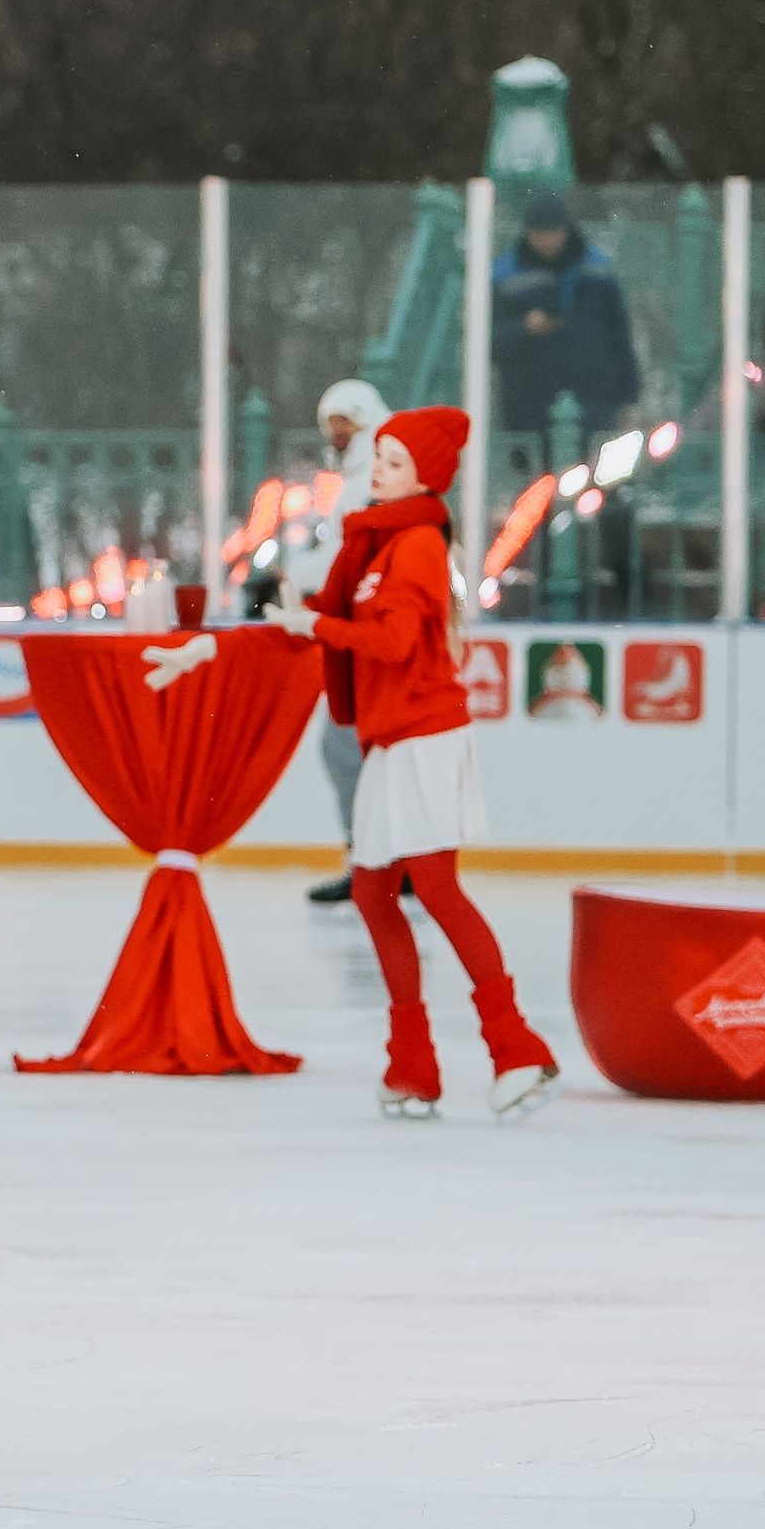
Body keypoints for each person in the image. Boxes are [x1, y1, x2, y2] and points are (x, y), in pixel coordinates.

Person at [266, 406, 562, 1121]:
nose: (379, 472)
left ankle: (516, 1046)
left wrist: (319, 624)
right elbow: (351, 622)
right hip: (391, 739)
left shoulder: (419, 543)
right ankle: (412, 1062)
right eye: (379, 460)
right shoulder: (372, 543)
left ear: (426, 477)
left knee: (434, 887)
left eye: (395, 463)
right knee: (373, 894)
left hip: (426, 734)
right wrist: (305, 619)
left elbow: (395, 641)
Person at [289, 379, 390, 906]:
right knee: (356, 751)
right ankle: (388, 862)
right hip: (360, 630)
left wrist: (296, 575)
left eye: (343, 423)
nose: (336, 434)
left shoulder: (373, 479)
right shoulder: (359, 478)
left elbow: (351, 557)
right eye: (330, 425)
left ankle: (372, 862)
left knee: (344, 747)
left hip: (367, 634)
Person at [491, 190, 641, 451]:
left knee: (599, 478)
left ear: (566, 230)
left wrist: (629, 397)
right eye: (540, 233)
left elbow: (619, 337)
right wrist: (524, 328)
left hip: (595, 399)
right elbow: (490, 341)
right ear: (528, 233)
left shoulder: (598, 270)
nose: (547, 241)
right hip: (527, 402)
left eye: (553, 232)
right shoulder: (504, 275)